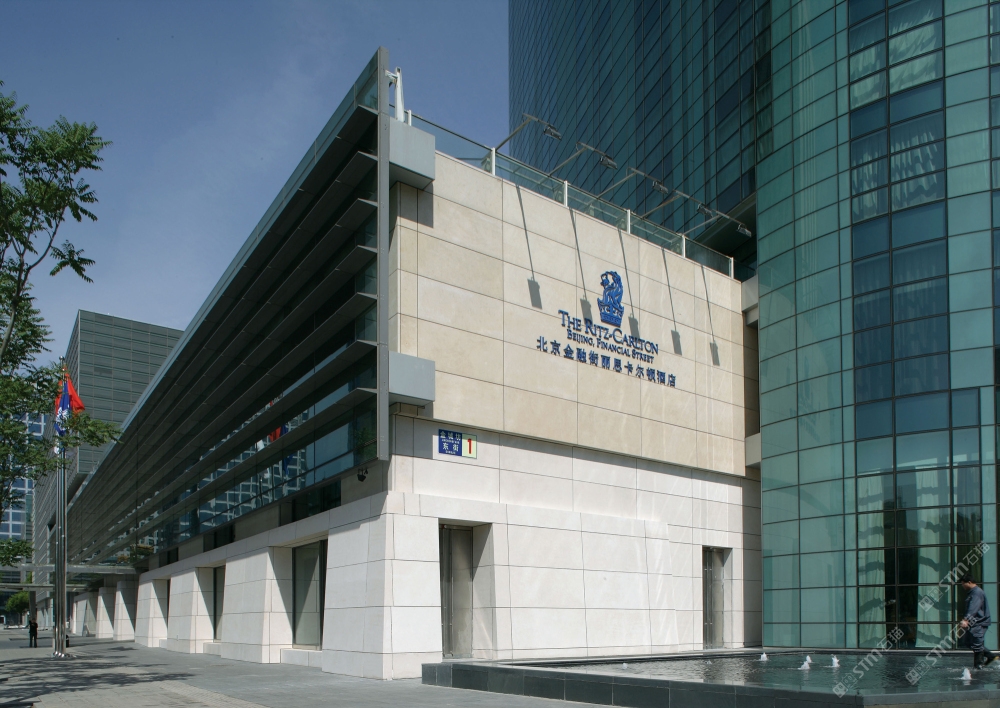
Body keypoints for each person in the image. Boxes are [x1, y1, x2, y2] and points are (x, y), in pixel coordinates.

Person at [959, 575, 995, 669]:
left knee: (977, 644)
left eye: (963, 584)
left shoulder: (977, 593)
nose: (962, 586)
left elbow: (973, 608)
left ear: (969, 582)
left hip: (979, 622)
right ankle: (990, 656)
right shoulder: (972, 593)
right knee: (967, 642)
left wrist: (966, 619)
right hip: (974, 623)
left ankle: (978, 666)